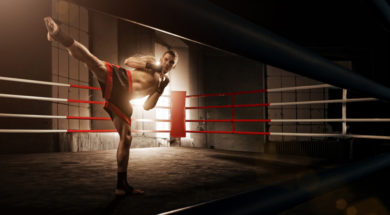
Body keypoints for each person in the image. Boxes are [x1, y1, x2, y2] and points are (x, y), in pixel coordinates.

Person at [44, 17, 178, 196]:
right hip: (121, 79)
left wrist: (160, 91)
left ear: (173, 67)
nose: (167, 63)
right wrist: (150, 65)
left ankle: (121, 185)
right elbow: (128, 62)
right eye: (166, 59)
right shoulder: (152, 60)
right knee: (93, 62)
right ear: (162, 57)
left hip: (124, 99)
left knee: (127, 138)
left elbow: (147, 106)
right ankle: (59, 35)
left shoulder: (162, 81)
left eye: (171, 63)